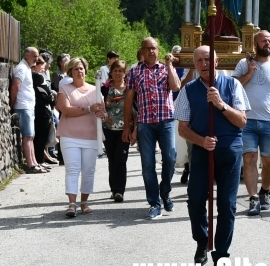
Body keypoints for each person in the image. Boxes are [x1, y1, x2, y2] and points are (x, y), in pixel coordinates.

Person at [174, 46, 250, 266]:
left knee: (227, 204)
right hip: (201, 151)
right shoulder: (188, 90)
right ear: (195, 64)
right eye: (199, 60)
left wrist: (221, 105)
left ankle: (222, 253)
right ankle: (202, 240)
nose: (204, 64)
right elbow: (182, 128)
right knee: (196, 200)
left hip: (230, 150)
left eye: (208, 59)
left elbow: (242, 121)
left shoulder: (233, 84)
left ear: (216, 61)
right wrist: (201, 141)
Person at [233, 30, 270, 216]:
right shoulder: (244, 63)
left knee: (269, 162)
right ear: (255, 43)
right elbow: (233, 87)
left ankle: (264, 191)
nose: (267, 43)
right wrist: (249, 74)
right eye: (263, 40)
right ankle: (253, 198)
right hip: (247, 121)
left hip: (269, 122)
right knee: (249, 159)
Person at [123, 37, 182, 220]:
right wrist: (127, 126)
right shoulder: (134, 72)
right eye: (148, 48)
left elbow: (175, 86)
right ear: (142, 50)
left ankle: (165, 191)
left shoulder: (165, 69)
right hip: (145, 122)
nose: (151, 51)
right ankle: (154, 203)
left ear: (158, 50)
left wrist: (170, 65)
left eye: (154, 48)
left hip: (166, 120)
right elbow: (129, 100)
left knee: (170, 158)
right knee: (147, 165)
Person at [56, 57, 106, 217]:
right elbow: (66, 109)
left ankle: (84, 202)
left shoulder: (95, 90)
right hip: (70, 135)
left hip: (91, 135)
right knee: (73, 169)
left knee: (89, 170)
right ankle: (72, 204)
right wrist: (88, 109)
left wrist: (103, 114)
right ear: (70, 71)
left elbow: (103, 112)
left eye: (82, 68)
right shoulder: (64, 89)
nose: (79, 71)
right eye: (76, 69)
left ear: (86, 70)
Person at [10, 47, 45, 173]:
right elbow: (15, 86)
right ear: (26, 55)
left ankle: (34, 162)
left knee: (31, 136)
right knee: (28, 136)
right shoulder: (21, 68)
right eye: (34, 56)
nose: (37, 59)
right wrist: (12, 103)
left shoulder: (26, 68)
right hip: (23, 106)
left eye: (37, 56)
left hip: (28, 106)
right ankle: (30, 165)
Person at [103, 60, 130, 202]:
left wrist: (134, 129)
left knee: (121, 159)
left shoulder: (130, 89)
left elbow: (135, 109)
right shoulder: (105, 89)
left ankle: (119, 191)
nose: (118, 73)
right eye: (115, 70)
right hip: (107, 129)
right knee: (112, 159)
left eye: (120, 70)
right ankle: (113, 189)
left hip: (124, 130)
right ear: (111, 72)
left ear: (125, 73)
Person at [30, 56, 55, 170]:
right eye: (42, 66)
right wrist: (53, 100)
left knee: (37, 137)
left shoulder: (29, 75)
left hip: (35, 108)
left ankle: (38, 159)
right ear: (37, 65)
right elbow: (47, 92)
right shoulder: (38, 77)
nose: (44, 69)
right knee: (41, 137)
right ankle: (40, 160)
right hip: (42, 109)